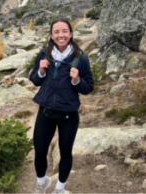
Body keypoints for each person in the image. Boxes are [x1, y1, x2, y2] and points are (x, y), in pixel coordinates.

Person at [29, 19, 94, 194]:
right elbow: (34, 80)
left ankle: (59, 189)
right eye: (56, 32)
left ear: (71, 34)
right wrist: (41, 71)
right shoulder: (43, 54)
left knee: (65, 153)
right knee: (40, 151)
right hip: (45, 111)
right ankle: (42, 183)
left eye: (64, 31)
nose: (61, 35)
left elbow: (88, 87)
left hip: (69, 114)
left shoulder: (80, 59)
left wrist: (76, 80)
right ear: (51, 35)